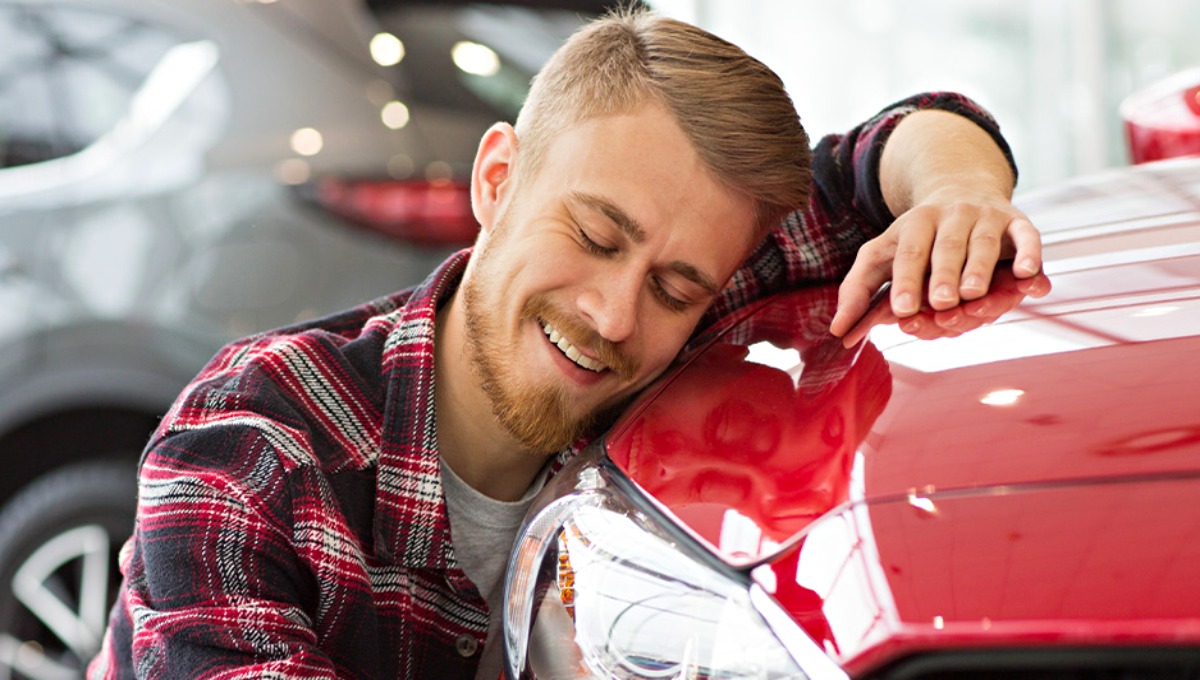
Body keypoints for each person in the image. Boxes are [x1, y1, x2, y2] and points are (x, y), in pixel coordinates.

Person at [88, 8, 1047, 680]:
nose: (615, 315)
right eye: (593, 237)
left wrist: (963, 197)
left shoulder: (683, 319)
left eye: (676, 288)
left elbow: (906, 142)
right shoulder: (247, 442)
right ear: (497, 181)